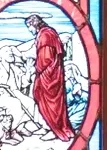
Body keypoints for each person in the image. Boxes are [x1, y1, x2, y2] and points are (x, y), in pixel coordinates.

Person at [28, 13, 75, 142]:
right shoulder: (49, 33)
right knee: (41, 97)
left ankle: (53, 129)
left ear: (34, 24)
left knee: (49, 101)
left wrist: (35, 67)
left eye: (29, 27)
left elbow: (45, 58)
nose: (29, 30)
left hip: (48, 75)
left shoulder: (45, 35)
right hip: (52, 73)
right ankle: (46, 125)